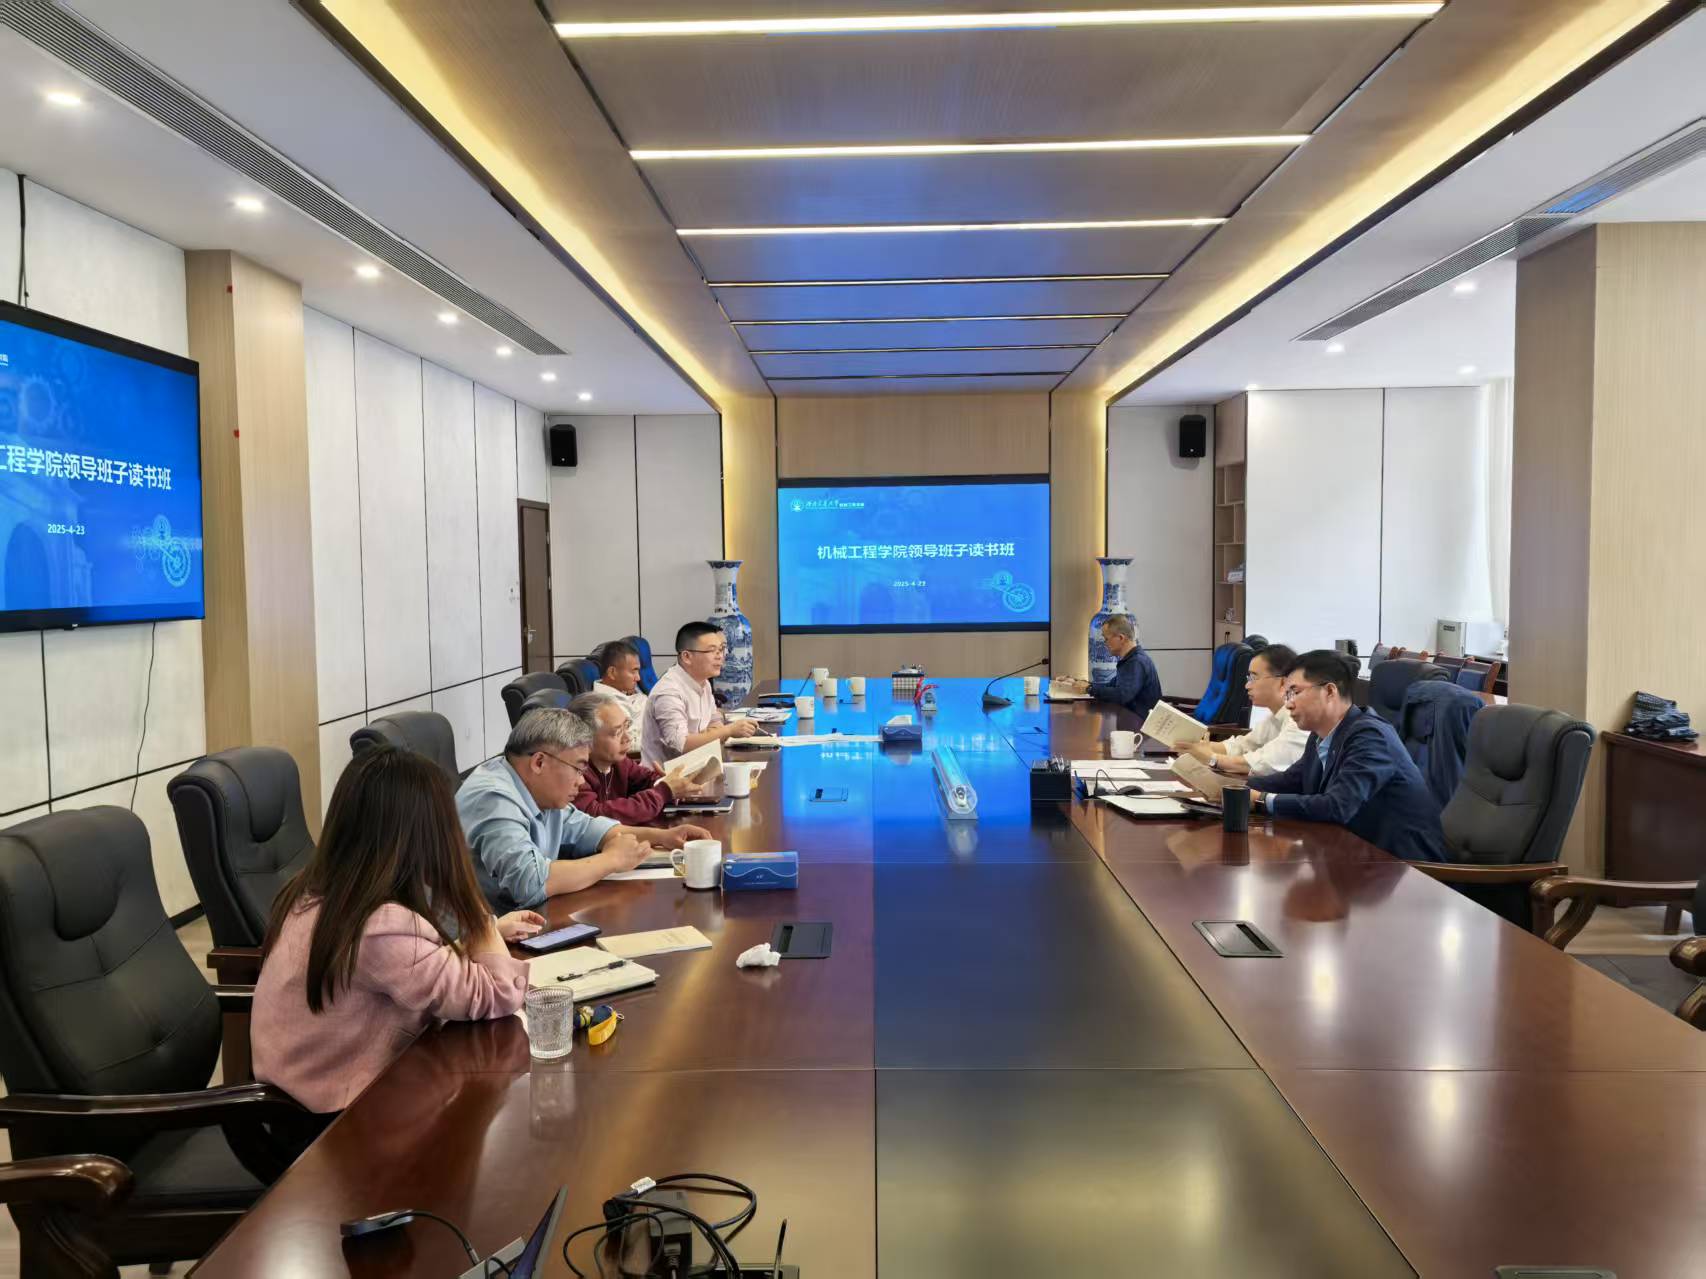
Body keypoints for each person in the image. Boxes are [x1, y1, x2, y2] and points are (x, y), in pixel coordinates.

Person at [252, 746, 543, 1114]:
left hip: (311, 1092)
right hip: (337, 1120)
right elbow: (498, 994)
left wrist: (484, 935)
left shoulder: (320, 893)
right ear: (420, 835)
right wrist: (476, 912)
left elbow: (411, 966)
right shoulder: (379, 926)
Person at [457, 707, 712, 912]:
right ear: (539, 762)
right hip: (477, 942)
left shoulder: (540, 790)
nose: (581, 781)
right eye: (578, 769)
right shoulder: (493, 798)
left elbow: (588, 828)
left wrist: (662, 836)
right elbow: (530, 882)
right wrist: (612, 860)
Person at [1250, 650, 1446, 862]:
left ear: (1329, 691)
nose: (1288, 704)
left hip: (1405, 867)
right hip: (1357, 856)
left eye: (1295, 692)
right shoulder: (1321, 735)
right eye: (1287, 695)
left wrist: (1262, 800)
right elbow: (1290, 781)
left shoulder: (1370, 736)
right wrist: (1234, 790)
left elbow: (1338, 806)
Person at [570, 690, 718, 822]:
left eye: (626, 726)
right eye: (617, 732)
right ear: (586, 739)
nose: (627, 738)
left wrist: (669, 781)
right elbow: (596, 815)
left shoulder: (620, 762)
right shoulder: (574, 773)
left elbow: (646, 780)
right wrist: (665, 790)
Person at [639, 621, 758, 764]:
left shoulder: (703, 682)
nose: (720, 656)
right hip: (666, 775)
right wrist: (728, 731)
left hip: (698, 766)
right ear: (687, 657)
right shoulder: (669, 692)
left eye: (721, 649)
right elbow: (682, 744)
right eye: (712, 650)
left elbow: (714, 718)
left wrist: (715, 730)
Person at [1181, 643, 1308, 777]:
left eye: (1253, 678)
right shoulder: (1274, 717)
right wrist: (1194, 746)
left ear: (1283, 682)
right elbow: (1242, 746)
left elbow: (1264, 764)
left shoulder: (1300, 721)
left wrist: (1212, 758)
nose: (1247, 685)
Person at [1067, 615, 1162, 718]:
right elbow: (1110, 686)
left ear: (1121, 638)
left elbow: (1122, 695)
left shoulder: (1136, 662)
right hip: (1132, 721)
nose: (1104, 643)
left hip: (1139, 725)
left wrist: (1089, 689)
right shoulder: (1131, 660)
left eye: (1106, 639)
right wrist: (1080, 683)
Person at [591, 638, 648, 754]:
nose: (638, 678)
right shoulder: (601, 705)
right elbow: (626, 744)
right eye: (633, 671)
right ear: (612, 672)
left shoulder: (633, 693)